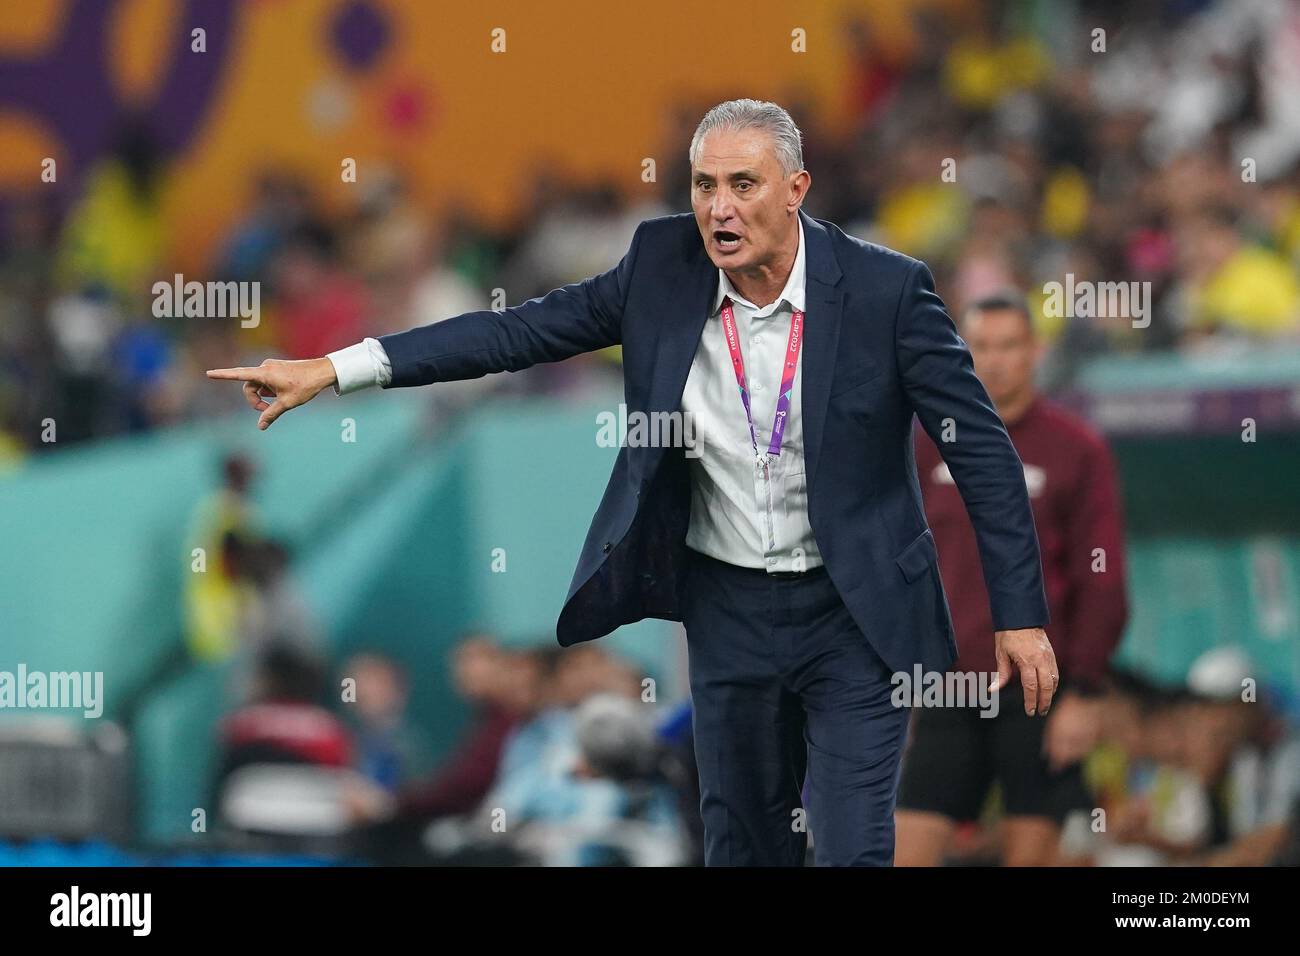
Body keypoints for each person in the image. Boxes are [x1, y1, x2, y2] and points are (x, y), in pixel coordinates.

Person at [207, 98, 1056, 866]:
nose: (718, 208)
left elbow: (980, 450)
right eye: (702, 185)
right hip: (727, 608)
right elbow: (515, 334)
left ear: (796, 187)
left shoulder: (889, 291)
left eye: (743, 185)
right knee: (744, 848)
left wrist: (1020, 617)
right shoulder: (660, 266)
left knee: (846, 848)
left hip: (857, 613)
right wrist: (340, 366)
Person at [895, 292, 1130, 866]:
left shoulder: (1076, 449)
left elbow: (1103, 581)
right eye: (981, 347)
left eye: (1009, 346)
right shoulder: (926, 443)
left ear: (1035, 352)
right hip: (951, 686)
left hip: (1039, 690)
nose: (995, 361)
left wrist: (1085, 692)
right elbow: (900, 562)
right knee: (904, 851)